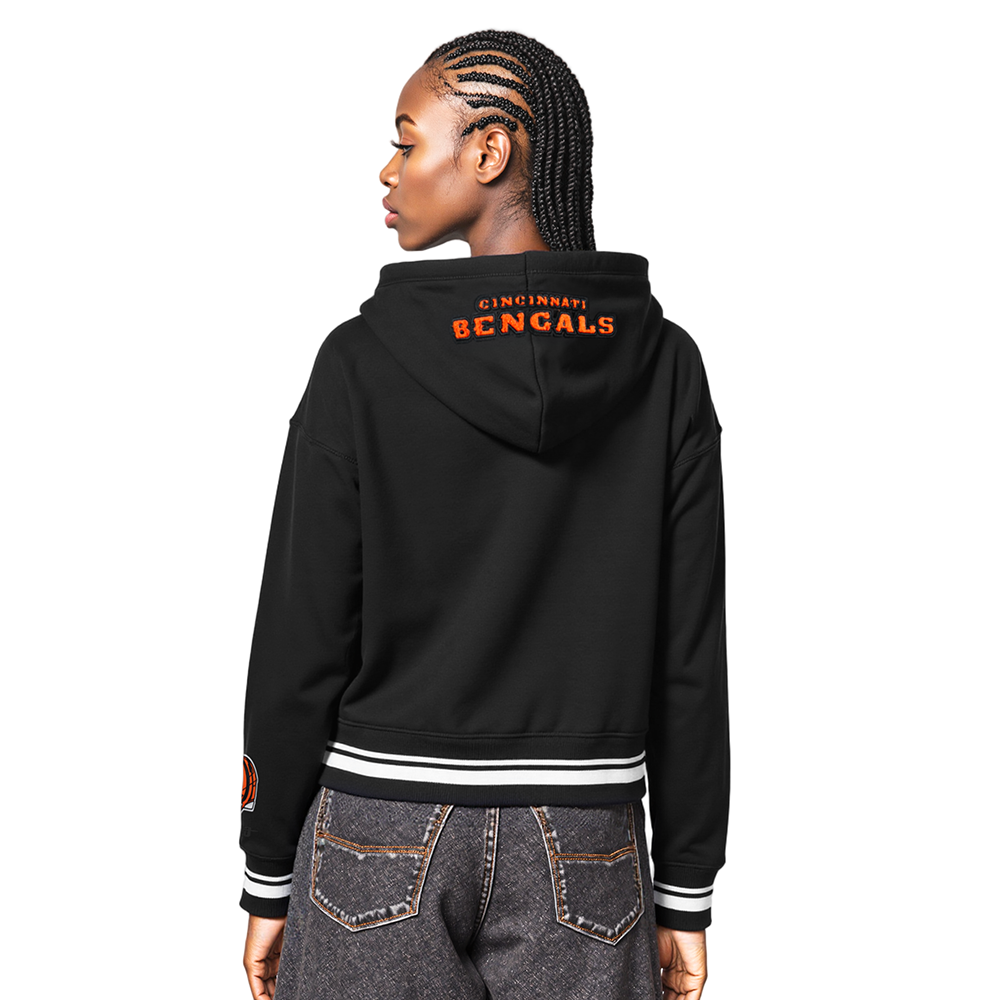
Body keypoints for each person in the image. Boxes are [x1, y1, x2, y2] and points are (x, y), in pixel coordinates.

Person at [238, 28, 729, 1000]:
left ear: (489, 150)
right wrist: (684, 888)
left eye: (406, 140)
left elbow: (302, 635)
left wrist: (267, 871)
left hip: (375, 829)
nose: (387, 171)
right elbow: (689, 650)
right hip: (589, 840)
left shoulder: (361, 362)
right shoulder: (664, 365)